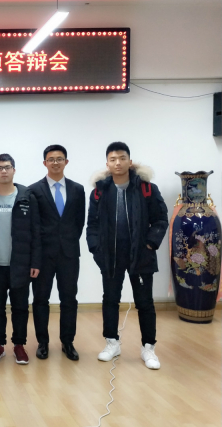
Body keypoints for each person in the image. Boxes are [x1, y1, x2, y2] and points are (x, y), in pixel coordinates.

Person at [87, 142, 168, 370]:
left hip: (141, 255)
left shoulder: (146, 188)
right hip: (110, 256)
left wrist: (150, 244)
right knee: (110, 300)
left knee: (145, 303)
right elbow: (92, 225)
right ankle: (112, 343)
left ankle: (148, 347)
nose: (118, 163)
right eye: (113, 159)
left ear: (130, 162)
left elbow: (161, 219)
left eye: (122, 158)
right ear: (107, 164)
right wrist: (96, 249)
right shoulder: (99, 191)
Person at [0, 153, 41, 365]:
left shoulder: (27, 198)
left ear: (14, 170)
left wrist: (35, 262)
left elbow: (36, 232)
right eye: (0, 168)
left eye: (7, 167)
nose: (4, 171)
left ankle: (19, 345)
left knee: (20, 307)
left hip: (20, 265)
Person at [29, 145, 85, 361]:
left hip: (69, 254)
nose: (55, 163)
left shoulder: (78, 189)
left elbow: (79, 222)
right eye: (51, 159)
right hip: (42, 256)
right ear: (45, 163)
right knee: (40, 299)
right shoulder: (34, 190)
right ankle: (42, 342)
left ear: (66, 162)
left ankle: (67, 342)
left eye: (59, 159)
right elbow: (34, 225)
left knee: (69, 299)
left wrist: (67, 242)